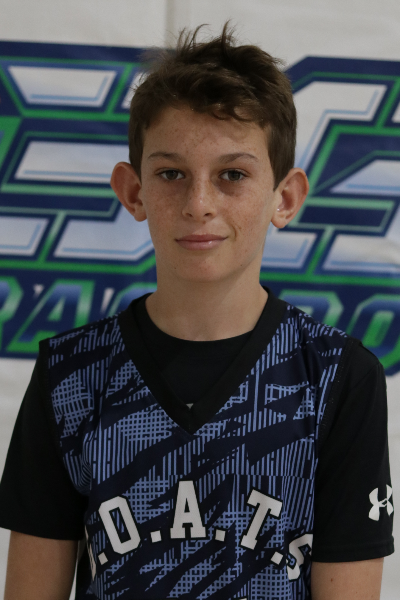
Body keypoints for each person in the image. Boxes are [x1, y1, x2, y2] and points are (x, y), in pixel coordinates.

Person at [0, 24, 394, 600]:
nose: (199, 204)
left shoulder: (338, 378)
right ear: (133, 191)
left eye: (232, 174)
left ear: (285, 197)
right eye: (171, 174)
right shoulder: (72, 377)